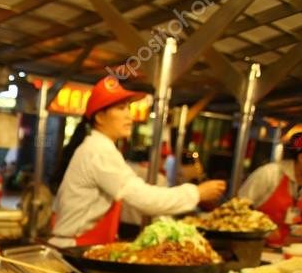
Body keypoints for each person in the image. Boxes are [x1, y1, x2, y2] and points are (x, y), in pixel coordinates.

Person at [49, 76, 225, 247]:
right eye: (120, 108)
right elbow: (144, 199)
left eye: (128, 108)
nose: (129, 116)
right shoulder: (99, 151)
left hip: (81, 244)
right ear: (100, 117)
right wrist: (196, 193)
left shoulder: (97, 147)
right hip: (73, 248)